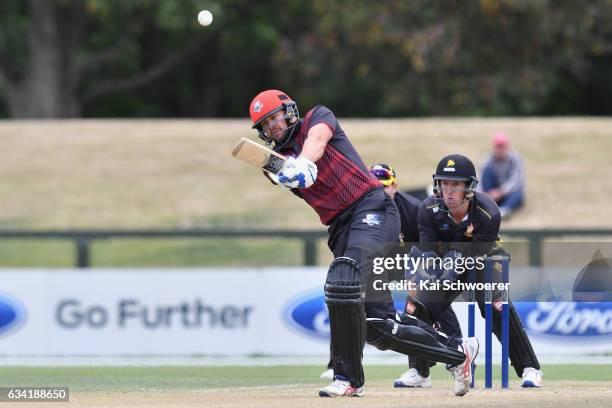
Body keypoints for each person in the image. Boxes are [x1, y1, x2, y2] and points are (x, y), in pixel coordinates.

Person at [249, 90, 478, 397]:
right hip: (340, 227)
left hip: (371, 208)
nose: (272, 127)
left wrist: (302, 163)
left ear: (289, 111)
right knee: (377, 325)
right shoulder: (277, 162)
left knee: (346, 278)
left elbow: (316, 141)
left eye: (275, 117)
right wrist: (286, 173)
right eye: (265, 125)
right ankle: (458, 353)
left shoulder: (318, 117)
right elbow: (283, 174)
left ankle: (346, 378)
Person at [405, 153, 543, 388]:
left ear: (469, 187)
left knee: (496, 305)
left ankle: (530, 369)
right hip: (446, 262)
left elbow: (474, 257)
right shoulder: (427, 209)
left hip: (483, 259)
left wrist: (452, 264)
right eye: (444, 183)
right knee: (417, 306)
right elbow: (428, 251)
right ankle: (420, 372)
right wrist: (426, 273)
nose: (448, 191)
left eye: (456, 185)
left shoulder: (488, 212)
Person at [368, 163, 464, 388]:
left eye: (385, 187)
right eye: (374, 188)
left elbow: (429, 244)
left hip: (424, 257)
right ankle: (420, 371)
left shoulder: (413, 209)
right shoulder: (366, 208)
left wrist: (419, 276)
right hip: (387, 261)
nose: (380, 193)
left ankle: (459, 356)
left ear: (395, 186)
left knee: (428, 304)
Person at [480, 132, 525, 218]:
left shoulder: (516, 158)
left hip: (509, 193)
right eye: (498, 147)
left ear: (507, 147)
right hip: (492, 191)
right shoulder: (488, 159)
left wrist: (501, 192)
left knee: (518, 193)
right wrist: (484, 194)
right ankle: (487, 205)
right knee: (487, 170)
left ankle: (503, 210)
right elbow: (481, 177)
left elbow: (516, 181)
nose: (500, 150)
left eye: (502, 147)